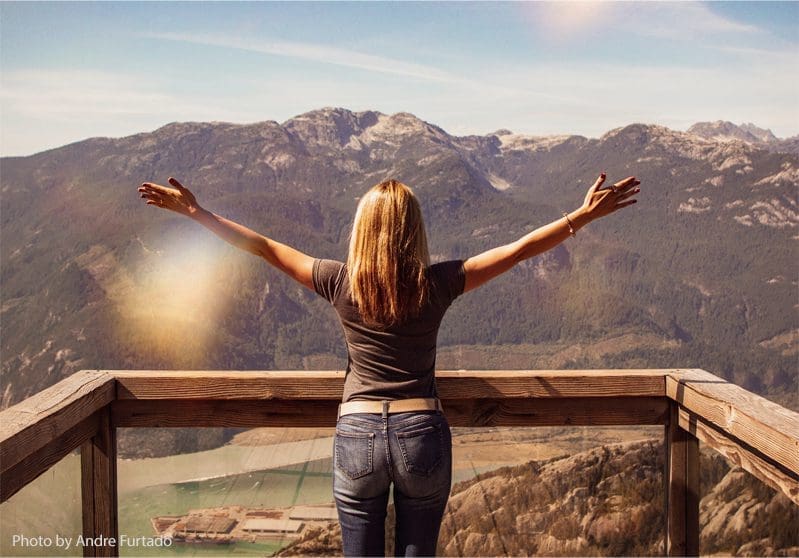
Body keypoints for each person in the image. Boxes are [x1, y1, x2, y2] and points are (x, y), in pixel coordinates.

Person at [138, 172, 640, 556]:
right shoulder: (439, 282)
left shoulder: (339, 282)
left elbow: (265, 247)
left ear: (362, 229)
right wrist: (581, 217)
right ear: (414, 231)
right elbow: (517, 251)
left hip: (357, 431)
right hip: (421, 429)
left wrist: (198, 214)